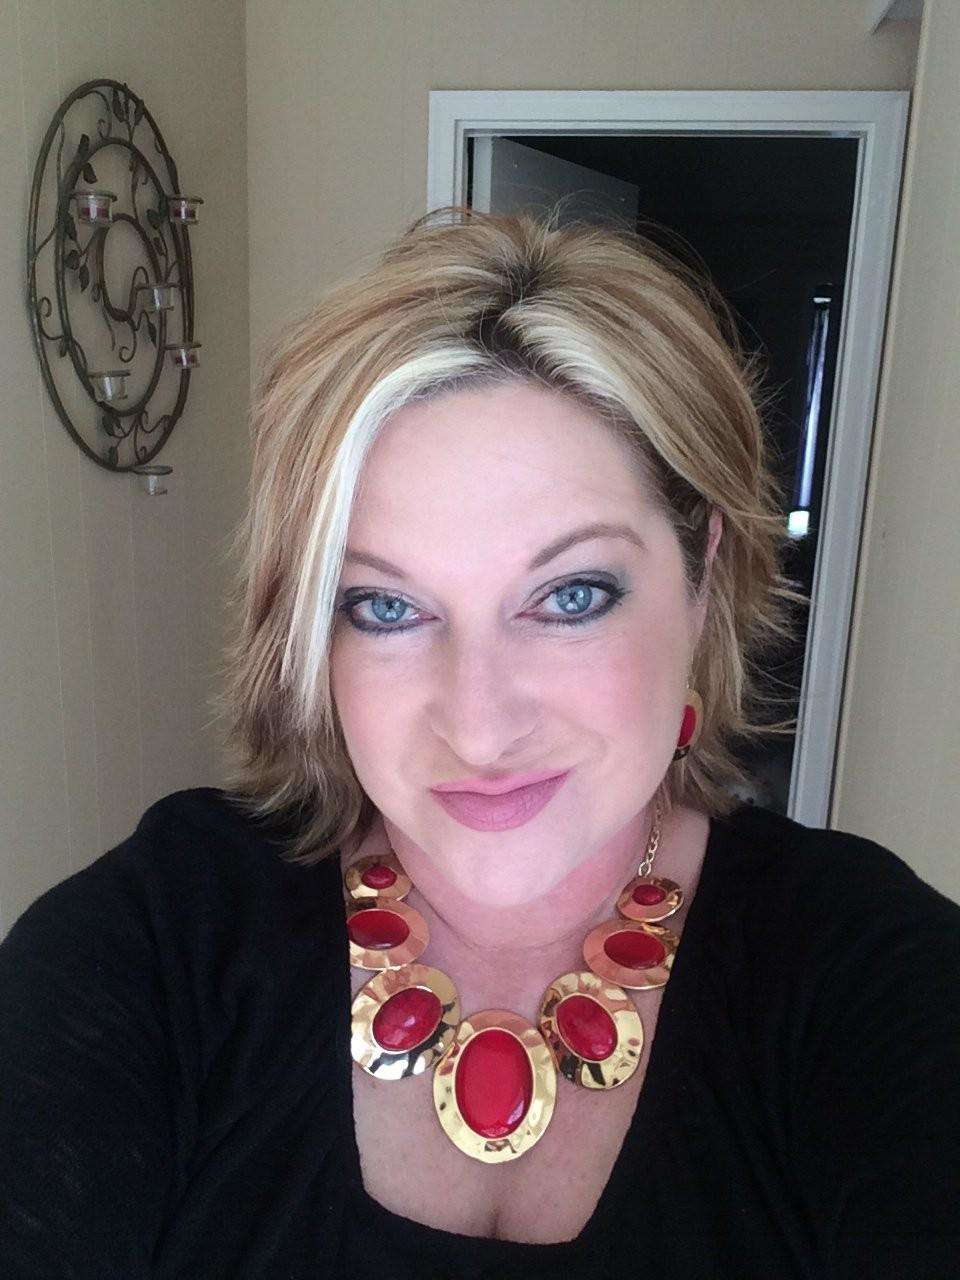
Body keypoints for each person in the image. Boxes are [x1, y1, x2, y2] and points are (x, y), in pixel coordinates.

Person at [1, 207, 957, 1280]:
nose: (479, 723)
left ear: (701, 585)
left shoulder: (869, 979)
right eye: (387, 607)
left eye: (571, 595)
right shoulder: (162, 936)